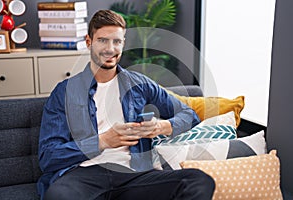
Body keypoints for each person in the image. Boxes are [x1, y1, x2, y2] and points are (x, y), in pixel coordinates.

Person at [38, 10, 215, 200]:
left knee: (198, 180)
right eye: (103, 40)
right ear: (89, 41)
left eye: (117, 42)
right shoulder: (65, 92)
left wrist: (161, 126)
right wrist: (104, 140)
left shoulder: (139, 84)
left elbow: (190, 115)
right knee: (58, 196)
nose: (110, 49)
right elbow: (48, 157)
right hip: (83, 174)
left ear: (123, 43)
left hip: (133, 173)